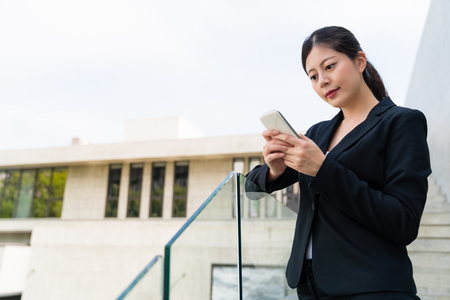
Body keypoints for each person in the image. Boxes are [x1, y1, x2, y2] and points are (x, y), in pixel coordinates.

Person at [246, 26, 431, 299]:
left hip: (371, 286)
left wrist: (323, 169)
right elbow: (251, 187)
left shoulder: (401, 122)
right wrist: (275, 171)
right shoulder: (319, 133)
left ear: (359, 61)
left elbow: (403, 222)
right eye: (313, 76)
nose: (322, 80)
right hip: (310, 286)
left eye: (329, 66)